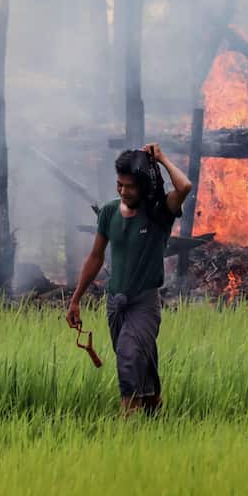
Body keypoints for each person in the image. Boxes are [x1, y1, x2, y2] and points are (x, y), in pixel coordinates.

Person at [66, 143, 193, 416]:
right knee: (140, 364)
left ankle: (128, 432)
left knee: (128, 358)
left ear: (144, 187)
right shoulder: (109, 213)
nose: (123, 191)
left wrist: (161, 159)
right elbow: (96, 257)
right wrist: (75, 299)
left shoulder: (159, 212)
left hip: (144, 304)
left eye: (130, 186)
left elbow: (184, 187)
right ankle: (154, 418)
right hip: (115, 304)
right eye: (119, 184)